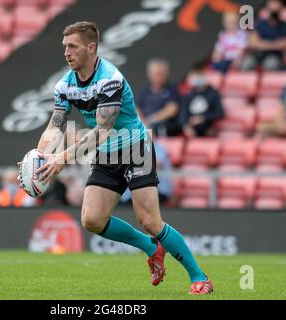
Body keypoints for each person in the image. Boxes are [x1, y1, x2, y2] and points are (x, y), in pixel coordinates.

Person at [23, 21, 213, 294]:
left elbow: (102, 131)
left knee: (149, 220)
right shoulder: (63, 85)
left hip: (136, 149)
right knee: (91, 220)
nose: (66, 52)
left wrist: (62, 158)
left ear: (91, 47)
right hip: (106, 155)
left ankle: (199, 276)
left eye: (73, 46)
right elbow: (55, 126)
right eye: (64, 46)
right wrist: (40, 156)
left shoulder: (110, 78)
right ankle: (150, 247)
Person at [136, 58, 180, 136]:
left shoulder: (172, 90)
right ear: (150, 75)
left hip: (162, 127)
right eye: (156, 74)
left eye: (161, 74)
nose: (159, 77)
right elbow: (137, 109)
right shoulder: (144, 91)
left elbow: (172, 109)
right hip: (144, 125)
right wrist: (143, 123)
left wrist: (151, 120)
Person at [179, 62, 225, 138]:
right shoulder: (188, 95)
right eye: (195, 75)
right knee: (163, 128)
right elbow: (182, 114)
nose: (197, 77)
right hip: (190, 126)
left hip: (205, 126)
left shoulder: (213, 94)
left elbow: (220, 112)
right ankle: (151, 149)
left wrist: (203, 118)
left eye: (200, 74)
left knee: (202, 128)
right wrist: (185, 126)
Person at [241, 0, 286, 71]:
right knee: (246, 63)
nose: (274, 6)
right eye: (271, 3)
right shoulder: (260, 24)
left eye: (276, 3)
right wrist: (275, 45)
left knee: (271, 64)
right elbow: (253, 43)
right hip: (257, 55)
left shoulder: (284, 26)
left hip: (274, 57)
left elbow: (284, 44)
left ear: (281, 6)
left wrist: (262, 44)